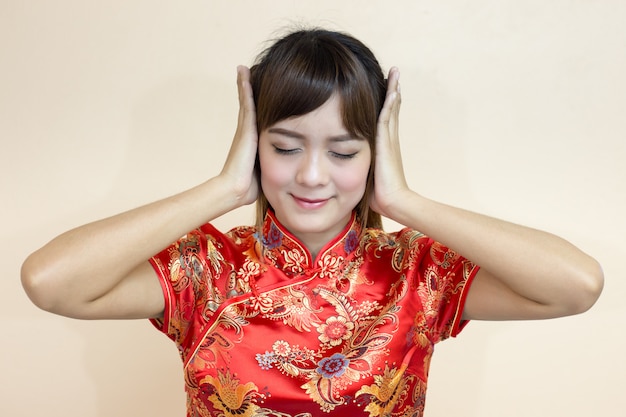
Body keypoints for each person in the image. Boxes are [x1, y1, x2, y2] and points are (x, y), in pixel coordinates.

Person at [21, 28, 604, 417]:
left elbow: (576, 287)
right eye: (286, 146)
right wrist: (223, 188)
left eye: (345, 152)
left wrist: (403, 201)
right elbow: (50, 282)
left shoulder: (417, 274)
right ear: (254, 145)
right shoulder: (205, 269)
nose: (312, 176)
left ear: (378, 153)